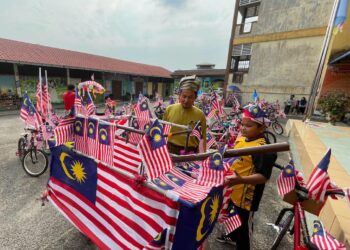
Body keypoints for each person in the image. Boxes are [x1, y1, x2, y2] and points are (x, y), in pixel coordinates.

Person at [216, 104, 277, 249]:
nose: (243, 128)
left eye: (248, 126)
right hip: (233, 190)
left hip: (246, 198)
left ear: (261, 128)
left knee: (243, 228)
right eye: (242, 124)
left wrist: (241, 180)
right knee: (231, 217)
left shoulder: (263, 148)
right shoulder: (243, 138)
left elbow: (263, 176)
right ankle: (231, 236)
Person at [163, 75, 207, 154]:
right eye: (184, 96)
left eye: (190, 97)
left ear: (195, 97)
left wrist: (202, 156)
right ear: (179, 95)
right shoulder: (169, 109)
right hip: (170, 151)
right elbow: (162, 132)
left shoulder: (200, 115)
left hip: (190, 153)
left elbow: (203, 139)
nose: (186, 100)